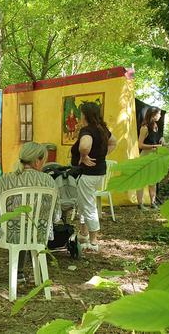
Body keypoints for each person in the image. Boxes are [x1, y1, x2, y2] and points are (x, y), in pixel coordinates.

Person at [0, 142, 58, 286]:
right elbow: (56, 215)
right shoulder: (50, 182)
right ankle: (19, 273)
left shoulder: (7, 179)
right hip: (38, 234)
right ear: (37, 161)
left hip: (9, 234)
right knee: (25, 228)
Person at [70, 102, 117, 252]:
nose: (80, 116)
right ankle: (83, 234)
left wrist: (84, 155)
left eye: (81, 113)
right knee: (84, 203)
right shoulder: (102, 129)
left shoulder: (87, 130)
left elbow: (84, 146)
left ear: (86, 115)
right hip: (98, 172)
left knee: (89, 206)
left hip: (88, 174)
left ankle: (93, 241)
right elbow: (114, 142)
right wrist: (102, 155)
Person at [136, 107, 164, 210]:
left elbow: (157, 139)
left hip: (154, 158)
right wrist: (155, 147)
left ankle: (153, 203)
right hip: (145, 157)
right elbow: (140, 145)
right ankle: (140, 204)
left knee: (153, 180)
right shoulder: (145, 127)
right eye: (159, 114)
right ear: (153, 115)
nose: (160, 116)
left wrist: (161, 140)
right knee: (142, 181)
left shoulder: (156, 126)